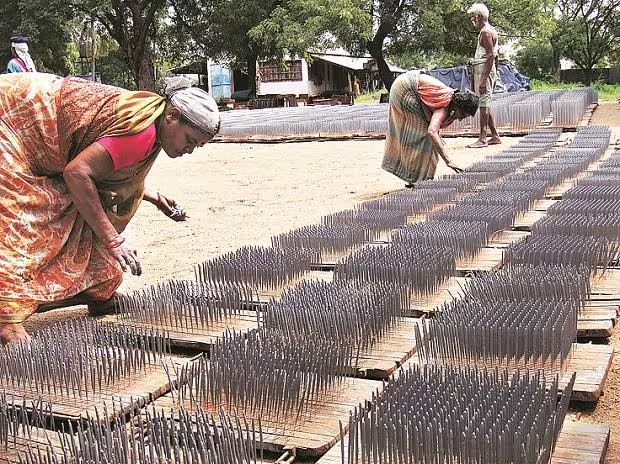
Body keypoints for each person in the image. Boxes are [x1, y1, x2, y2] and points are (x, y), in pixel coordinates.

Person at [0, 73, 220, 344]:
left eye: (197, 145)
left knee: (87, 209)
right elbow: (78, 173)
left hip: (37, 131)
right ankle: (6, 320)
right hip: (11, 120)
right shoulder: (141, 133)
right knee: (20, 218)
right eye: (189, 139)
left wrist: (150, 196)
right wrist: (113, 240)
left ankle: (97, 292)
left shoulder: (154, 121)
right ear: (172, 116)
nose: (190, 149)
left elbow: (108, 171)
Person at [382, 72, 479, 187]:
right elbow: (431, 132)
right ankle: (417, 180)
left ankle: (420, 178)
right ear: (460, 106)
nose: (462, 118)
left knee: (429, 138)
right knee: (423, 135)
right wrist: (448, 161)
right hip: (405, 90)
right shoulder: (445, 106)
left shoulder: (450, 98)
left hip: (403, 83)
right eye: (464, 114)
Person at [467, 3, 501, 148]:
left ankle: (483, 138)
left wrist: (484, 79)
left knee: (483, 103)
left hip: (484, 71)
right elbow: (495, 57)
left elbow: (491, 56)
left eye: (473, 17)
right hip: (485, 69)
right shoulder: (489, 30)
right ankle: (495, 136)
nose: (472, 20)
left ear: (479, 16)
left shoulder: (486, 32)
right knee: (485, 102)